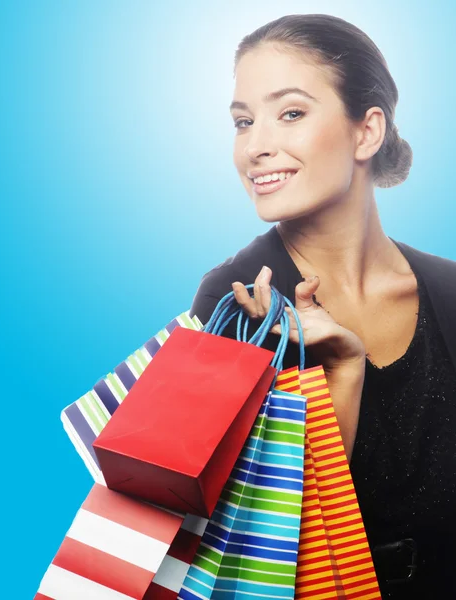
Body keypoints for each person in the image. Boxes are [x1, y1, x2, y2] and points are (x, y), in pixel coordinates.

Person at [189, 14, 456, 599]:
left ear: (367, 132)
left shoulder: (450, 291)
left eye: (290, 113)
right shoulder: (235, 302)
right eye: (242, 122)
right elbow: (255, 544)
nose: (256, 147)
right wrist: (341, 371)